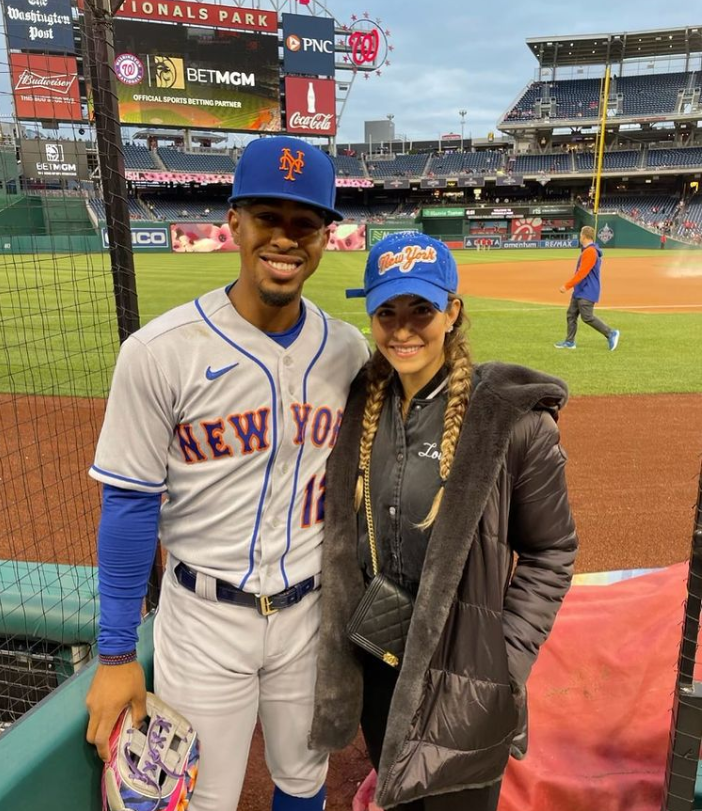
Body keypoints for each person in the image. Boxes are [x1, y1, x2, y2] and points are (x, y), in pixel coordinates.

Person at [85, 135, 369, 811]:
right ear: (234, 220)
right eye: (268, 216)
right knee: (202, 799)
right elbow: (129, 505)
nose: (286, 238)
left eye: (305, 222)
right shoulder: (160, 351)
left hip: (310, 613)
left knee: (304, 781)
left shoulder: (349, 351)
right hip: (203, 620)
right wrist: (117, 654)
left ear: (327, 236)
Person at [309, 232, 578, 810]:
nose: (403, 329)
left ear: (452, 311)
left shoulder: (513, 423)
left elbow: (552, 552)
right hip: (384, 666)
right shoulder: (358, 406)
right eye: (387, 311)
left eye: (420, 310)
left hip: (468, 680)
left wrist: (503, 660)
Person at [555, 225, 620, 351]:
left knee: (587, 316)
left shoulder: (590, 252)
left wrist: (567, 286)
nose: (580, 237)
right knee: (571, 314)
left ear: (584, 236)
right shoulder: (588, 250)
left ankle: (610, 333)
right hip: (580, 290)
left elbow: (582, 273)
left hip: (587, 290)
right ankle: (569, 342)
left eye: (580, 235)